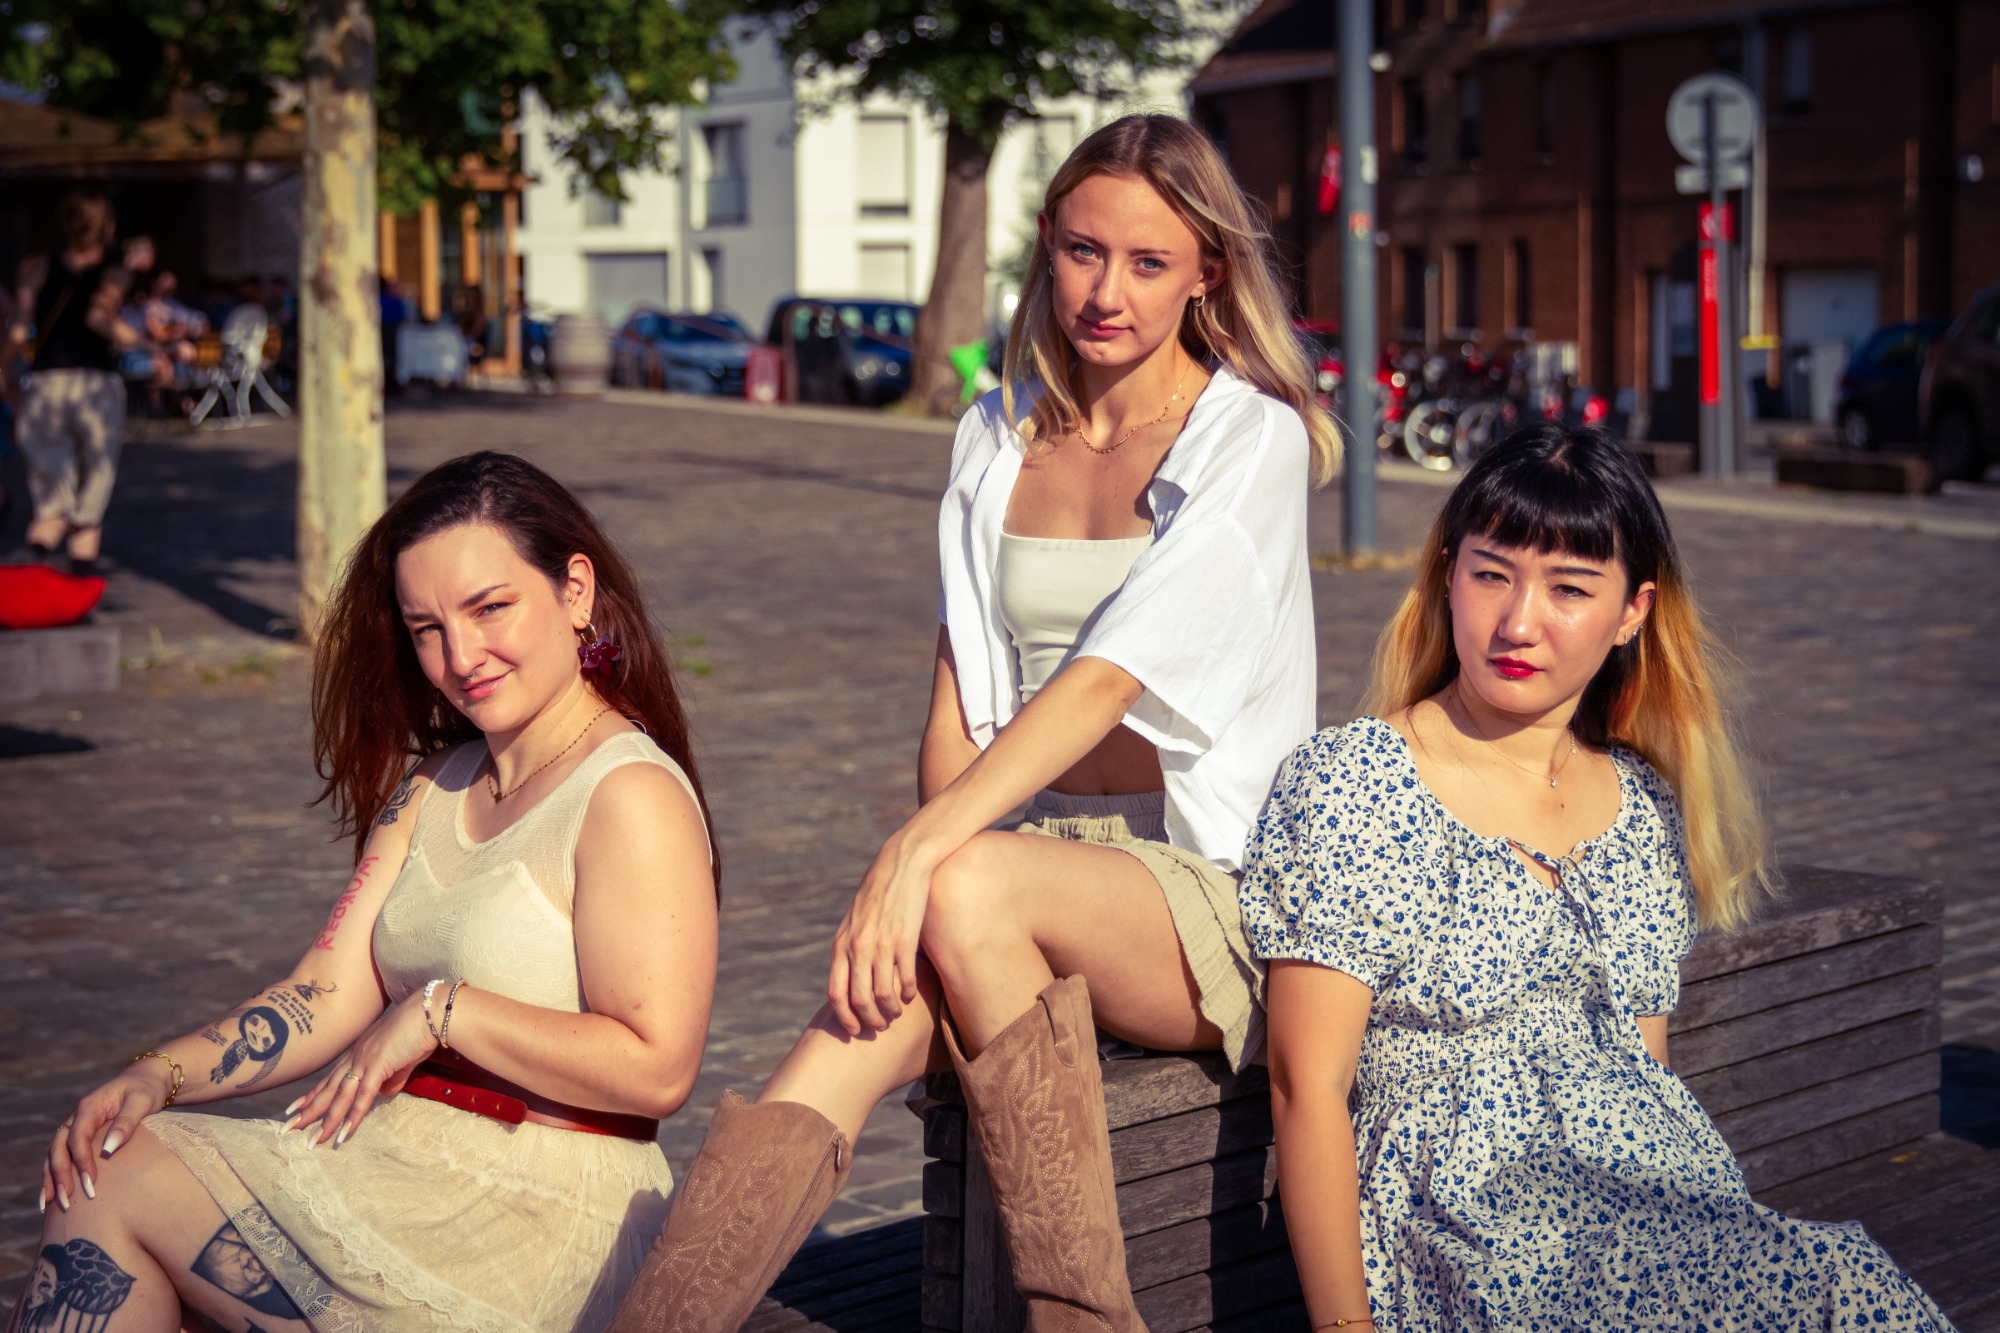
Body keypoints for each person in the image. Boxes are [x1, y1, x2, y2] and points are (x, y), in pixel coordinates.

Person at [610, 112, 1339, 1332]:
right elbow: (957, 696)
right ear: (1045, 242)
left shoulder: (1245, 438)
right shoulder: (995, 436)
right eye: (1082, 250)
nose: (1105, 292)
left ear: (1207, 272)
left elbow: (1105, 679)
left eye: (1148, 262)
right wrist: (929, 862)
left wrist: (916, 856)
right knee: (842, 1032)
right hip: (1018, 866)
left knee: (961, 887)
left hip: (1207, 888)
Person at [1242, 423, 1954, 1330]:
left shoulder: (1640, 804)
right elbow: (1306, 1088)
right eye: (1491, 574)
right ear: (1449, 573)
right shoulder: (1358, 781)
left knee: (1842, 1284)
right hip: (1475, 1236)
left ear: (1632, 612)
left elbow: (1644, 1072)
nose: (1517, 622)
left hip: (1657, 1214)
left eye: (1569, 588)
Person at [16, 451, 721, 1332]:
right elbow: (324, 990)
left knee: (111, 1182)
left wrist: (442, 1011)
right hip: (392, 1164)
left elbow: (659, 1066)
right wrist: (156, 1074)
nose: (460, 656)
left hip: (538, 1214)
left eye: (489, 607)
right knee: (106, 1155)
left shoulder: (628, 792)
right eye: (427, 627)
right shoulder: (434, 784)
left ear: (574, 591)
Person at [7, 191, 144, 576]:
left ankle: (42, 549)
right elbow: (99, 319)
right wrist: (156, 347)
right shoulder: (116, 273)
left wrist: (4, 373)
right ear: (108, 227)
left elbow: (18, 332)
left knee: (51, 496)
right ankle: (80, 574)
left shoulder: (34, 267)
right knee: (93, 485)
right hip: (97, 385)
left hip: (47, 383)